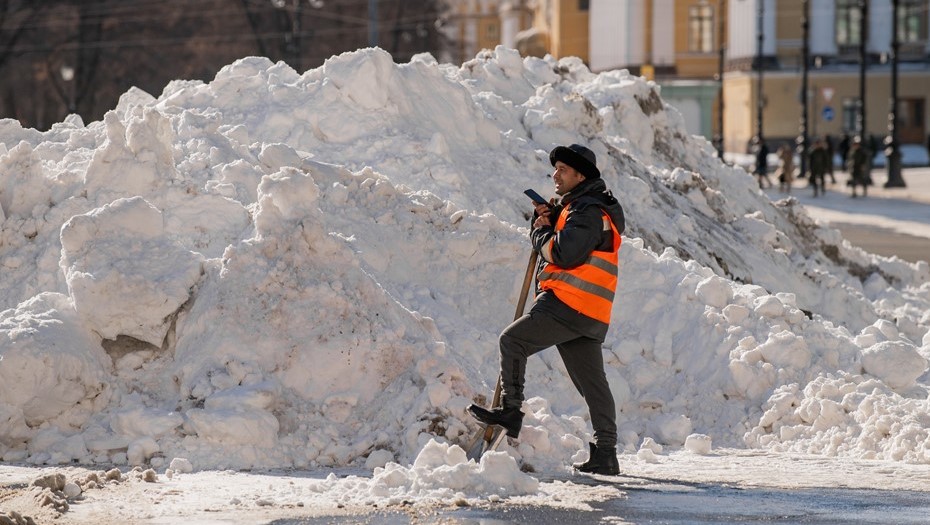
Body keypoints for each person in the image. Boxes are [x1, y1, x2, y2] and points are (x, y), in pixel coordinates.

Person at [468, 143, 625, 476]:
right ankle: (606, 453)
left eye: (563, 170)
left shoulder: (586, 212)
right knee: (593, 385)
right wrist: (552, 220)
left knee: (513, 341)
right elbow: (575, 240)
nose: (555, 175)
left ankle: (510, 411)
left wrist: (540, 231)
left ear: (580, 176)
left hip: (568, 303)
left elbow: (564, 253)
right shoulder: (588, 209)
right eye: (555, 169)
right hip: (591, 311)